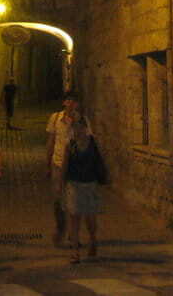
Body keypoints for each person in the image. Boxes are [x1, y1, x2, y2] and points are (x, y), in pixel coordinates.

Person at [46, 90, 91, 245]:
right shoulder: (55, 118)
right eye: (69, 100)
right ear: (64, 102)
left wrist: (77, 124)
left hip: (75, 166)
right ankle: (60, 229)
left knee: (74, 201)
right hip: (58, 163)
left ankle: (73, 235)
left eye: (74, 101)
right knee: (58, 200)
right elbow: (51, 141)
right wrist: (48, 163)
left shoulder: (82, 120)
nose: (71, 104)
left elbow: (87, 141)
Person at [63, 114, 107, 262]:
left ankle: (93, 239)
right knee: (74, 219)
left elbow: (99, 162)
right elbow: (64, 165)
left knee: (90, 219)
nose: (77, 131)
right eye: (74, 128)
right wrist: (62, 184)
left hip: (90, 185)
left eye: (79, 127)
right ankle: (75, 252)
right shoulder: (70, 145)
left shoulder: (93, 143)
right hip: (74, 185)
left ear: (85, 128)